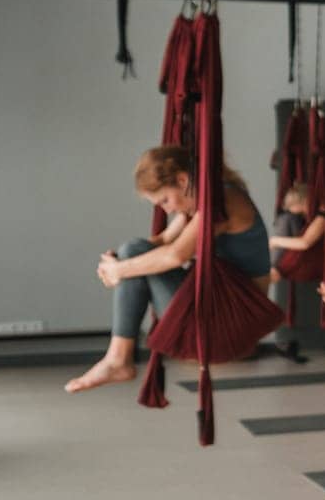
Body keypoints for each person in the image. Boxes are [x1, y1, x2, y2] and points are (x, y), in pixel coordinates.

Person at [65, 146, 271, 393]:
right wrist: (116, 261)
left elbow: (176, 255)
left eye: (165, 200)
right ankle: (117, 360)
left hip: (233, 321)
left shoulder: (224, 202)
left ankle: (118, 360)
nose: (168, 210)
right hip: (216, 304)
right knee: (131, 248)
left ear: (183, 180)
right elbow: (162, 241)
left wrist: (120, 271)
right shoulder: (198, 205)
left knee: (134, 255)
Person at [267, 183, 325, 284]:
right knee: (285, 220)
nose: (304, 215)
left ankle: (273, 270)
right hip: (315, 253)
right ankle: (272, 270)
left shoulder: (324, 212)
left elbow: (305, 243)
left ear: (305, 202)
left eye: (301, 212)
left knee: (286, 220)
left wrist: (274, 241)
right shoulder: (317, 212)